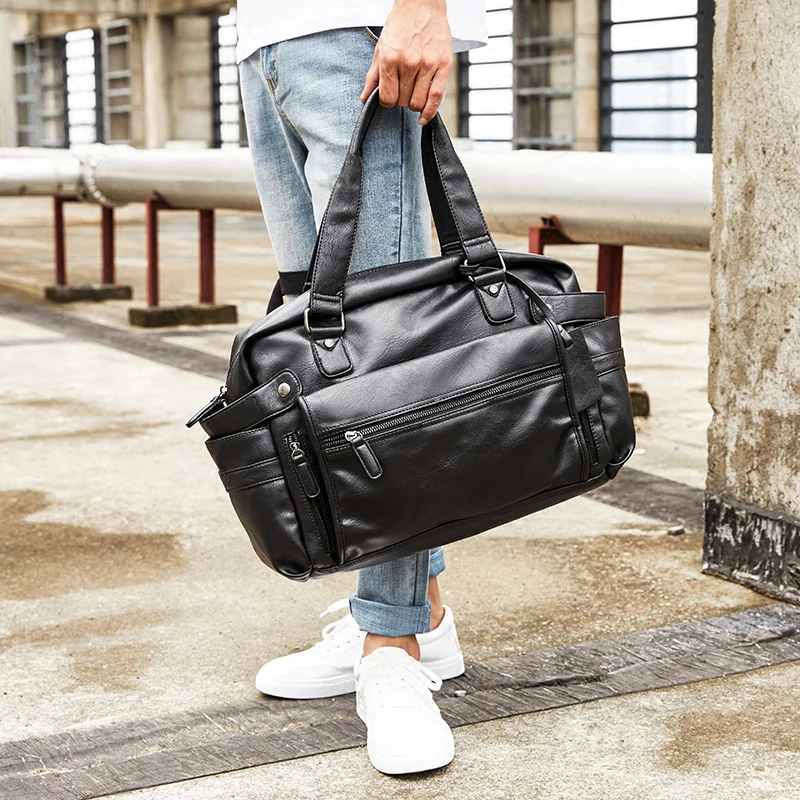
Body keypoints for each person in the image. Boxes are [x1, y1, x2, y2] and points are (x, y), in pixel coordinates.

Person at [236, 0, 488, 775]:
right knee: (325, 352)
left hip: (358, 31)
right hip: (266, 43)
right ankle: (425, 617)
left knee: (387, 363)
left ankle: (392, 644)